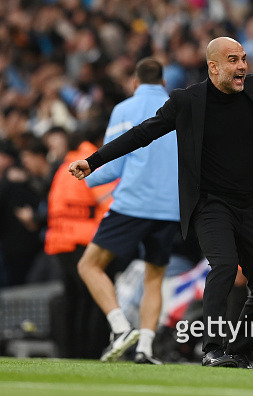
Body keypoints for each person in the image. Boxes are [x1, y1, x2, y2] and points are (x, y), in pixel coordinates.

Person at [69, 37, 253, 369]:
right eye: (233, 60)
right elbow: (143, 133)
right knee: (223, 267)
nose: (242, 66)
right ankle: (212, 348)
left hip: (247, 205)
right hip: (209, 205)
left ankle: (238, 350)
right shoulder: (187, 100)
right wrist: (94, 161)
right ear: (213, 67)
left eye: (244, 59)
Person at [75, 58, 181, 365]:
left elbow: (114, 164)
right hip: (170, 208)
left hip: (134, 202)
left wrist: (87, 177)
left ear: (135, 82)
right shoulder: (180, 107)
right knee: (154, 278)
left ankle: (121, 328)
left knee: (89, 266)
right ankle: (145, 348)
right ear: (163, 83)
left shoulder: (124, 109)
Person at [45, 129, 116, 358]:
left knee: (72, 299)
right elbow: (110, 204)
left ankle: (69, 352)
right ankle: (91, 352)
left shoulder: (64, 165)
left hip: (60, 241)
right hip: (85, 240)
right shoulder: (93, 161)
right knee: (94, 299)